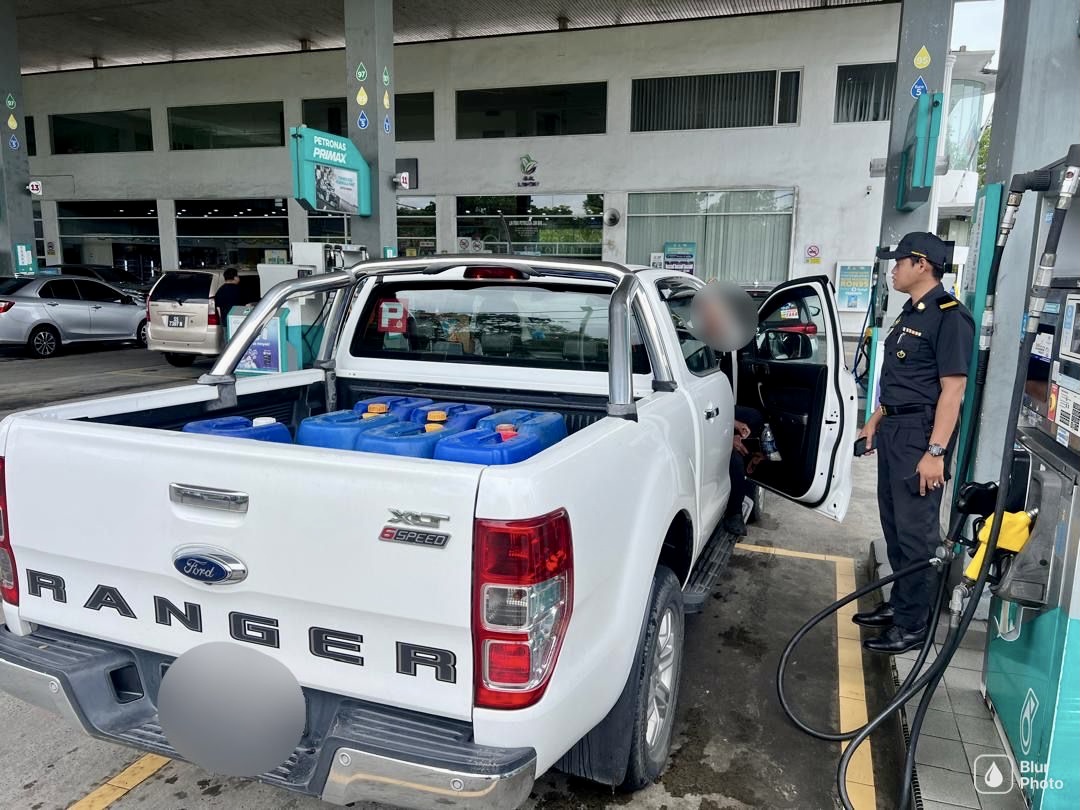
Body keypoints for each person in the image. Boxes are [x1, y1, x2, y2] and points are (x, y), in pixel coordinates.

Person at [854, 232, 975, 655]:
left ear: (921, 264)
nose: (893, 270)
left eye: (899, 261)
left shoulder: (949, 317)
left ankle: (913, 625)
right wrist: (874, 421)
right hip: (894, 429)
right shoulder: (910, 313)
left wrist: (935, 452)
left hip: (921, 437)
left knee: (916, 534)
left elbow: (953, 391)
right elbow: (900, 383)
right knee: (894, 526)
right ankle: (900, 604)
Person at [724, 405, 765, 537]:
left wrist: (734, 424)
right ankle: (734, 513)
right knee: (735, 460)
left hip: (715, 408)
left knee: (755, 417)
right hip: (700, 421)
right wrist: (727, 439)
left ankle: (748, 452)